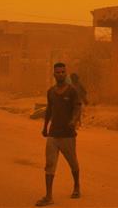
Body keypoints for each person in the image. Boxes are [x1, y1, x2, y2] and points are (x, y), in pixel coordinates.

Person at [36, 62, 82, 206]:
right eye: (58, 72)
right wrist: (45, 127)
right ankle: (48, 196)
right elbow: (49, 110)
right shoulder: (51, 92)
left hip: (68, 135)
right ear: (54, 74)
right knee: (49, 164)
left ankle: (76, 186)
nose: (60, 74)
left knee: (73, 163)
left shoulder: (72, 91)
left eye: (63, 72)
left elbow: (77, 108)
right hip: (53, 135)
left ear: (66, 73)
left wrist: (74, 120)